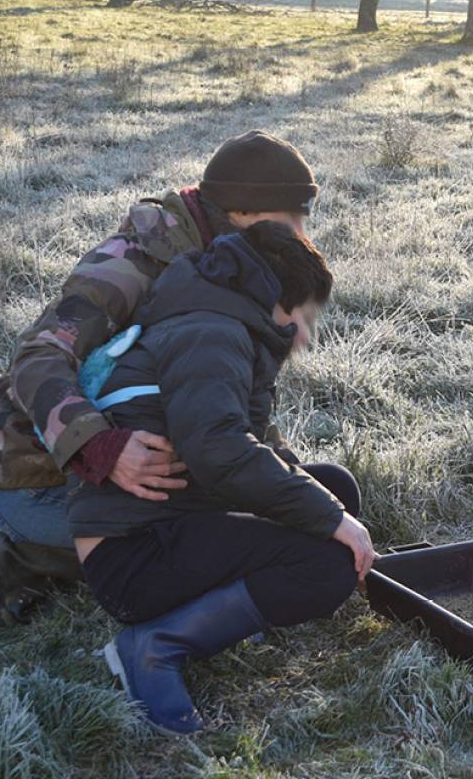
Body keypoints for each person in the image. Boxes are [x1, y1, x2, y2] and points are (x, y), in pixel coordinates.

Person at [0, 130, 324, 625]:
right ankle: (21, 553)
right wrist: (101, 448)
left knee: (249, 513)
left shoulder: (234, 266)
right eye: (291, 216)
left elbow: (226, 399)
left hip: (137, 458)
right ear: (242, 214)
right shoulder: (132, 264)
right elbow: (37, 356)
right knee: (189, 540)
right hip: (37, 478)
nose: (301, 232)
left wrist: (278, 476)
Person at [70, 221, 376, 734]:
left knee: (334, 488)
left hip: (167, 519)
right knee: (326, 565)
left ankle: (225, 607)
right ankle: (154, 646)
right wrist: (330, 522)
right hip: (132, 556)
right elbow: (219, 451)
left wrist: (328, 508)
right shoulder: (211, 332)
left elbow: (239, 440)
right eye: (301, 317)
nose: (304, 335)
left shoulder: (214, 318)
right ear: (271, 297)